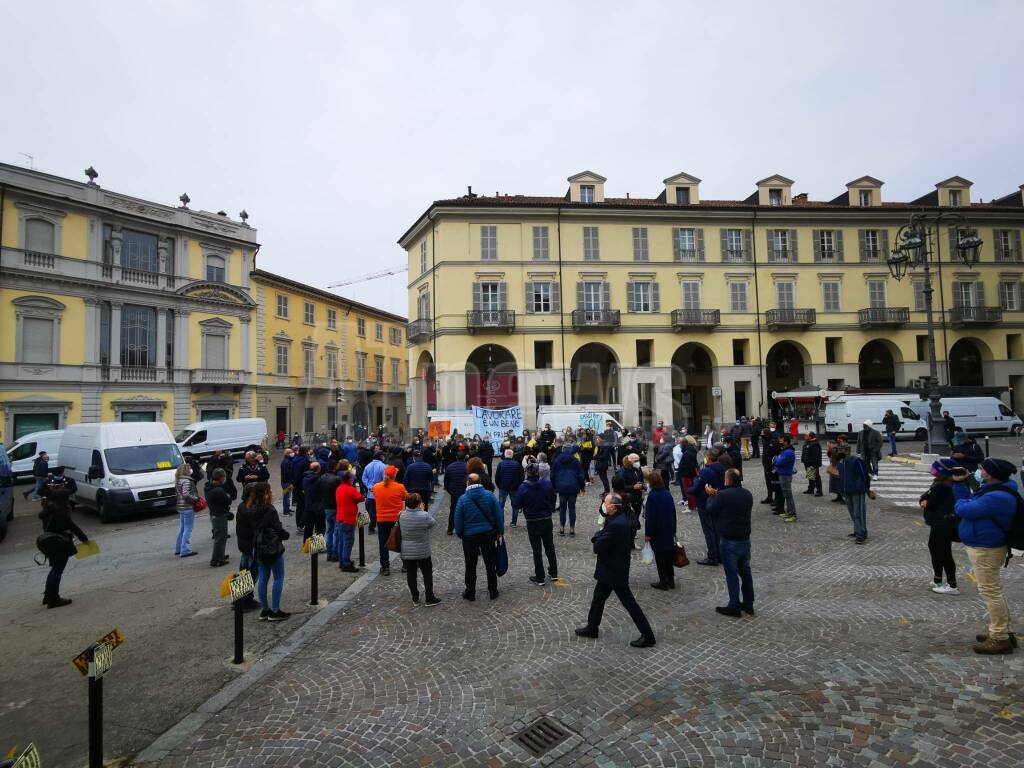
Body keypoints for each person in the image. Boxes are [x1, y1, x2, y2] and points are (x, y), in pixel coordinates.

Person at [574, 492, 656, 648]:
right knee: (598, 598)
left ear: (612, 506)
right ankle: (592, 627)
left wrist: (597, 537)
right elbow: (603, 535)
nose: (603, 505)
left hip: (614, 570)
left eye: (605, 502)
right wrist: (600, 535)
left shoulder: (617, 524)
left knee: (629, 603)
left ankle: (648, 635)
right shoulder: (616, 520)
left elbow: (598, 546)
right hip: (609, 569)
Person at [955, 457, 1019, 654]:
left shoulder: (997, 496)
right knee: (994, 590)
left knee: (990, 591)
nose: (979, 471)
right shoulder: (993, 490)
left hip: (986, 549)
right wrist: (965, 485)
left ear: (991, 474)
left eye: (983, 469)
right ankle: (1003, 631)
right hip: (985, 545)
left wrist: (959, 490)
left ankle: (999, 638)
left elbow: (963, 509)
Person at [706, 468, 754, 617]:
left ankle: (734, 605)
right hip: (744, 538)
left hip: (729, 539)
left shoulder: (723, 495)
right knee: (745, 572)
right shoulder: (747, 494)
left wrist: (711, 496)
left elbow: (710, 509)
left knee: (731, 573)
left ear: (727, 480)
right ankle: (748, 603)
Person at [920, 459, 970, 595]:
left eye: (935, 468)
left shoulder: (945, 486)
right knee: (935, 548)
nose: (932, 470)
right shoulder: (940, 483)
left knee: (943, 552)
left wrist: (926, 502)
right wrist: (925, 500)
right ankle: (938, 579)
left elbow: (930, 502)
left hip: (944, 523)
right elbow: (925, 496)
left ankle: (952, 585)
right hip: (940, 522)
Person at [38, 467, 86, 608]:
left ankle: (48, 595)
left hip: (48, 539)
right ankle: (53, 599)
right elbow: (71, 526)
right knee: (57, 569)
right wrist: (85, 540)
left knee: (54, 567)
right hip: (59, 540)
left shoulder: (47, 511)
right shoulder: (61, 512)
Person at [454, 472, 503, 600]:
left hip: (469, 537)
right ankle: (493, 590)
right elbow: (498, 515)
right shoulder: (489, 496)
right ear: (480, 482)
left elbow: (458, 521)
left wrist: (461, 534)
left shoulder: (462, 499)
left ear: (468, 483)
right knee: (490, 563)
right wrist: (499, 531)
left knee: (470, 565)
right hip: (488, 534)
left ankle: (470, 592)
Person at [248, 482, 291, 621]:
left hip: (258, 546)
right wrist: (285, 535)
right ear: (266, 493)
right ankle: (275, 610)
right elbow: (277, 528)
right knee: (278, 577)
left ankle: (265, 609)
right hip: (272, 545)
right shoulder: (269, 509)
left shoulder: (250, 508)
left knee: (263, 577)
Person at [514, 462, 558, 585]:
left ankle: (540, 577)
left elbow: (516, 504)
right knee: (550, 546)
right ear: (538, 472)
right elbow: (553, 497)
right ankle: (554, 572)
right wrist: (551, 508)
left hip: (532, 521)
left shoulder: (523, 487)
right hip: (546, 518)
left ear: (527, 473)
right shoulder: (547, 484)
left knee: (536, 549)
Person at [399, 492, 440, 606]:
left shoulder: (401, 515)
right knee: (427, 573)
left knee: (411, 573)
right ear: (418, 503)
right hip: (423, 550)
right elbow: (433, 523)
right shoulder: (424, 515)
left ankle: (415, 597)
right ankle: (429, 597)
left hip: (407, 550)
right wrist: (422, 511)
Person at [692, 448, 727, 564]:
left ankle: (712, 556)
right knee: (716, 529)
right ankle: (720, 554)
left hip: (705, 502)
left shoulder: (707, 471)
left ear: (708, 458)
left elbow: (696, 488)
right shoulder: (722, 468)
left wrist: (690, 490)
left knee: (709, 530)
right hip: (718, 500)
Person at [643, 473, 677, 590]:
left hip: (658, 532)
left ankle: (663, 581)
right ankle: (671, 579)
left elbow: (651, 518)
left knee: (660, 557)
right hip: (668, 529)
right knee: (668, 556)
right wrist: (674, 530)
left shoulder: (652, 497)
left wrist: (648, 534)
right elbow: (673, 513)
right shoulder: (668, 494)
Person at [372, 465, 406, 576]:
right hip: (396, 519)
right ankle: (405, 565)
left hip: (382, 519)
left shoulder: (376, 487)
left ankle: (385, 567)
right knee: (401, 541)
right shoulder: (400, 487)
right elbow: (406, 498)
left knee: (383, 543)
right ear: (395, 475)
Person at [836, 446, 870, 544]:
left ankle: (861, 533)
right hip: (847, 490)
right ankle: (858, 530)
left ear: (847, 451)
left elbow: (864, 475)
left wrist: (867, 489)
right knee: (852, 512)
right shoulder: (842, 462)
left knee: (858, 512)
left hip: (857, 490)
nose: (839, 452)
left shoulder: (856, 461)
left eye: (840, 450)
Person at [551, 444, 585, 536]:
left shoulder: (557, 461)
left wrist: (554, 487)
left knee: (562, 508)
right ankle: (572, 529)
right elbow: (580, 476)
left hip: (561, 487)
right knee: (572, 508)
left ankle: (562, 528)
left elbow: (552, 475)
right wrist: (582, 487)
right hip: (573, 487)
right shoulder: (575, 461)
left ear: (562, 450)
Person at [334, 469, 363, 572]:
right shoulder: (350, 489)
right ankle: (346, 563)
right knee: (348, 542)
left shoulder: (339, 488)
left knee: (341, 541)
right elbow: (360, 498)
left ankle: (342, 561)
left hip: (339, 518)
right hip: (348, 519)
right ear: (349, 479)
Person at [205, 468, 233, 567]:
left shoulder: (208, 487)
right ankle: (216, 559)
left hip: (214, 514)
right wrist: (228, 496)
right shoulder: (219, 490)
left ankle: (220, 555)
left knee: (219, 537)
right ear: (221, 478)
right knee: (220, 538)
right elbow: (228, 500)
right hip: (219, 515)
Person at [494, 448, 525, 526]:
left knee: (501, 505)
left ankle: (501, 522)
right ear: (512, 455)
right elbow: (522, 477)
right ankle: (514, 522)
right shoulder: (517, 464)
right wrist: (519, 485)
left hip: (503, 487)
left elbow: (497, 477)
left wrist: (499, 485)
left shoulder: (501, 464)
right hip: (514, 487)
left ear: (505, 455)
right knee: (515, 505)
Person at [174, 463, 199, 558]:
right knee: (188, 529)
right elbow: (186, 494)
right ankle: (185, 550)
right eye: (190, 468)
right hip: (187, 507)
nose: (191, 470)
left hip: (180, 506)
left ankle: (178, 548)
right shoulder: (187, 481)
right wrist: (195, 499)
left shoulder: (178, 480)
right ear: (186, 470)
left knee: (182, 528)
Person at [773, 435, 798, 522]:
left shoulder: (788, 452)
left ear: (786, 442)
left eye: (782, 440)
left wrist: (776, 460)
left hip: (785, 475)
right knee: (786, 494)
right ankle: (789, 511)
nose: (780, 442)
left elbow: (778, 461)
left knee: (788, 495)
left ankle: (793, 514)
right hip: (783, 474)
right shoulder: (785, 451)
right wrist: (777, 459)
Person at [361, 451, 387, 534]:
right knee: (378, 511)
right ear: (381, 457)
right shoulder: (383, 466)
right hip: (380, 493)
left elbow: (364, 478)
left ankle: (371, 525)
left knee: (370, 510)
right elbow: (385, 479)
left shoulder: (367, 466)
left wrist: (369, 486)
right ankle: (374, 526)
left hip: (370, 493)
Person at [443, 452, 468, 536]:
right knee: (465, 510)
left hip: (454, 492)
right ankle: (464, 528)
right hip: (465, 492)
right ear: (464, 458)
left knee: (453, 510)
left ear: (456, 457)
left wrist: (449, 490)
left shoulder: (450, 467)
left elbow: (446, 482)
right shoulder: (467, 466)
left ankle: (450, 529)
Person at [301, 462, 326, 540]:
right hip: (318, 507)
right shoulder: (319, 479)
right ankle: (318, 546)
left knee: (308, 527)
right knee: (320, 528)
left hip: (308, 506)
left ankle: (307, 544)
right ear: (318, 469)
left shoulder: (305, 478)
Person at [826, 434, 849, 504]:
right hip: (836, 465)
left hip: (842, 466)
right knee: (836, 482)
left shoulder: (846, 446)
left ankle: (846, 498)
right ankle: (839, 496)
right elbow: (830, 455)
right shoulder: (838, 446)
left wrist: (831, 448)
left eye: (839, 438)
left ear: (843, 439)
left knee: (842, 482)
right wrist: (830, 449)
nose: (838, 439)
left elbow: (839, 456)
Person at [801, 432, 823, 497]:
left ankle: (819, 491)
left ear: (810, 437)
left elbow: (816, 456)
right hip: (807, 463)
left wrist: (814, 465)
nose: (804, 436)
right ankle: (811, 489)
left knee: (816, 477)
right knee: (810, 476)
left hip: (813, 463)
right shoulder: (807, 442)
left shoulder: (815, 444)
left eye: (806, 435)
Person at [279, 448, 295, 516]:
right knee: (286, 496)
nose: (293, 453)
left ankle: (287, 508)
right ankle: (286, 511)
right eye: (291, 452)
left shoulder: (288, 460)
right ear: (288, 453)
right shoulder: (286, 462)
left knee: (288, 496)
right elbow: (286, 473)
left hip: (287, 482)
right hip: (287, 482)